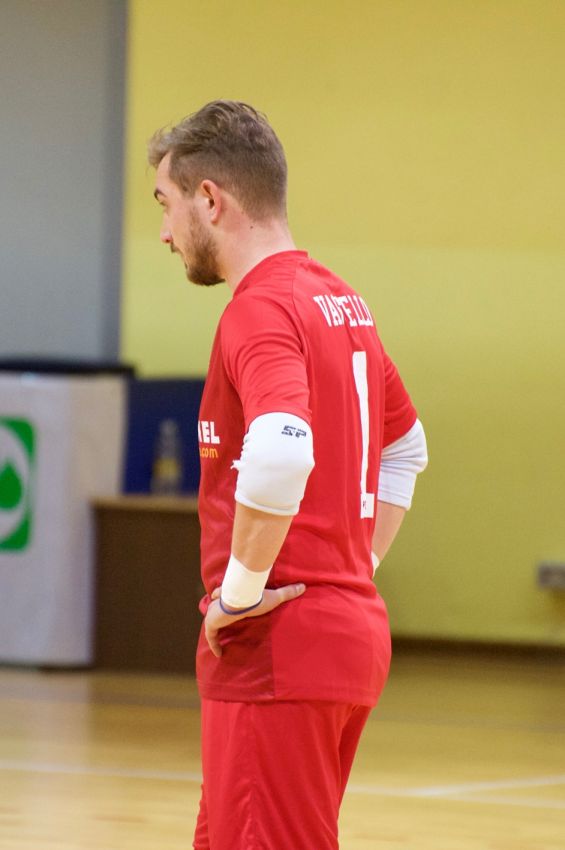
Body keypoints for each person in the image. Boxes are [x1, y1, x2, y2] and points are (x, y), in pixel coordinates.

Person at [148, 100, 428, 850]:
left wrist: (237, 595)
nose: (165, 233)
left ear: (211, 199)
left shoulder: (260, 308)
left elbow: (279, 447)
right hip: (338, 637)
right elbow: (406, 447)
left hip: (276, 647)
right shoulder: (341, 303)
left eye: (166, 204)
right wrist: (350, 570)